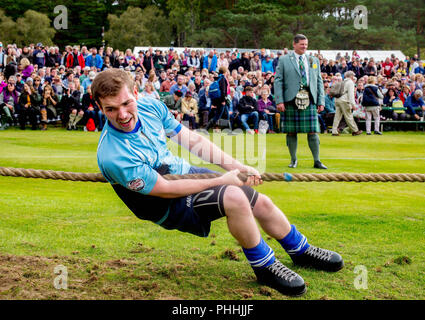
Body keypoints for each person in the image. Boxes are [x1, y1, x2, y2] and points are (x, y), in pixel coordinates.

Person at [92, 68, 343, 297]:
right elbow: (165, 189)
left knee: (258, 200)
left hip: (184, 173)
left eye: (126, 103)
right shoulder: (113, 155)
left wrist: (236, 168)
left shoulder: (151, 107)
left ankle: (300, 250)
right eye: (111, 109)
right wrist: (224, 179)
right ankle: (265, 266)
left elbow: (191, 140)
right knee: (235, 197)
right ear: (99, 106)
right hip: (164, 204)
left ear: (136, 93)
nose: (122, 115)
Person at [274, 34, 327, 169]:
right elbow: (278, 80)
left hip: (309, 99)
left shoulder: (313, 60)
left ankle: (317, 161)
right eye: (302, 44)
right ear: (294, 44)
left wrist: (321, 100)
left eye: (306, 44)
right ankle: (293, 160)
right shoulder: (284, 60)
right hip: (291, 99)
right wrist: (279, 100)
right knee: (291, 132)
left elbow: (319, 81)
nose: (305, 47)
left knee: (313, 131)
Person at [331, 71, 363, 136]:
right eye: (353, 76)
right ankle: (355, 130)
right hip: (344, 101)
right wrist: (353, 104)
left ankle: (334, 131)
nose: (353, 77)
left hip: (337, 100)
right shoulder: (350, 83)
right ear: (351, 76)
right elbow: (351, 95)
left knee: (337, 116)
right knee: (349, 116)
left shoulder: (342, 82)